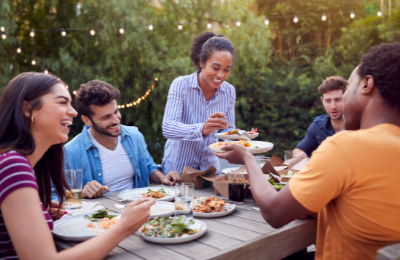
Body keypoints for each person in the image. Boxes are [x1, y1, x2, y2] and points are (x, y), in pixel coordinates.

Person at [215, 42, 400, 260]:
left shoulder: (346, 146)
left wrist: (247, 157)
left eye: (348, 87)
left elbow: (274, 213)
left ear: (367, 84)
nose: (337, 104)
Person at [0, 72, 155, 260]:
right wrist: (124, 226)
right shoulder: (13, 167)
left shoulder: (17, 163)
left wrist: (42, 212)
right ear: (28, 109)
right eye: (62, 102)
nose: (73, 112)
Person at [63, 80, 182, 199]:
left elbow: (147, 167)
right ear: (87, 120)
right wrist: (82, 194)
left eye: (116, 112)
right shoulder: (70, 152)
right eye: (106, 117)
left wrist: (163, 178)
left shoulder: (134, 135)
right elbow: (56, 197)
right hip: (102, 215)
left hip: (139, 206)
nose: (116, 120)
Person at [162, 32, 236, 174]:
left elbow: (228, 130)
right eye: (215, 68)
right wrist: (202, 129)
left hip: (210, 170)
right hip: (178, 171)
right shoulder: (181, 85)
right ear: (201, 62)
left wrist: (237, 139)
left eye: (227, 70)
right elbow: (168, 128)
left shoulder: (229, 91)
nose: (221, 75)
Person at [293, 76, 347, 157]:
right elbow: (298, 150)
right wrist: (302, 157)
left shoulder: (360, 126)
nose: (333, 106)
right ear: (322, 101)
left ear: (347, 98)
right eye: (328, 101)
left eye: (338, 100)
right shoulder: (318, 125)